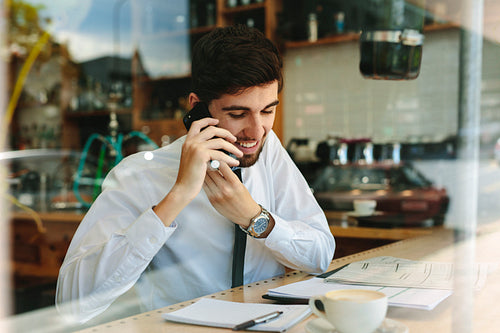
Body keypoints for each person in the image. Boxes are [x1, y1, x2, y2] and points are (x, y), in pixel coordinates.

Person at [56, 25, 335, 323]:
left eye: (267, 111)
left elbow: (320, 257)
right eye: (238, 114)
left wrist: (256, 219)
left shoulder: (269, 151)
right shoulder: (139, 175)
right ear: (197, 108)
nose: (256, 131)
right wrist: (177, 196)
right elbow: (72, 303)